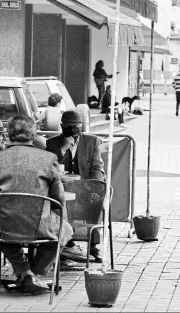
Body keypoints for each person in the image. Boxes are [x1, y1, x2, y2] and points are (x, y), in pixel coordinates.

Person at [0, 115, 73, 293]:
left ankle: (25, 273)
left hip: (3, 223)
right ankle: (35, 274)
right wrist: (53, 214)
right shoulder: (48, 158)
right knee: (65, 230)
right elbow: (59, 198)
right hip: (39, 223)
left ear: (9, 134)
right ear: (33, 134)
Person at [46, 110, 106, 264]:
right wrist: (64, 148)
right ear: (62, 126)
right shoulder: (52, 143)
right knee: (55, 204)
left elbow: (97, 168)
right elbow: (48, 167)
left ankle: (93, 247)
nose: (73, 128)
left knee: (95, 200)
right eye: (69, 125)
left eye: (76, 125)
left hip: (85, 186)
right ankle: (66, 245)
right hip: (60, 188)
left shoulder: (92, 141)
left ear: (82, 125)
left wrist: (96, 187)